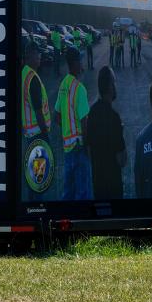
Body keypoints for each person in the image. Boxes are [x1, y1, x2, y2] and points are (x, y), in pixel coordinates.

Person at [54, 46, 92, 200]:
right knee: (83, 193)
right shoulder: (79, 89)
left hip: (68, 148)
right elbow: (84, 123)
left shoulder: (63, 84)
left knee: (68, 193)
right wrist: (87, 147)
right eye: (80, 60)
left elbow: (57, 116)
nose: (82, 63)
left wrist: (68, 129)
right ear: (74, 63)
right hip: (79, 147)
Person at [85, 66, 125, 199]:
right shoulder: (114, 118)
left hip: (98, 186)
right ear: (109, 86)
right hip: (113, 187)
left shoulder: (91, 113)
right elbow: (121, 160)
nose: (116, 86)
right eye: (114, 82)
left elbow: (89, 152)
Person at [21, 41, 51, 140]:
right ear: (31, 55)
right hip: (37, 132)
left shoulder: (24, 72)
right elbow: (38, 111)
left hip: (29, 131)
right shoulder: (32, 78)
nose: (40, 56)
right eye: (38, 54)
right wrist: (45, 134)